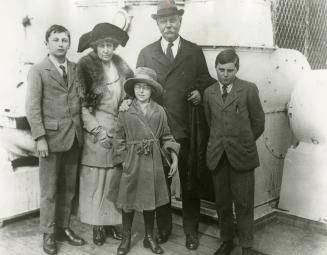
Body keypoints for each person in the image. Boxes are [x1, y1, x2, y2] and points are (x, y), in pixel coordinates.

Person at [120, 0, 215, 249]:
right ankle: (162, 229)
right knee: (157, 181)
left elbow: (207, 81)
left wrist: (199, 92)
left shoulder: (193, 51)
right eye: (164, 21)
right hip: (155, 130)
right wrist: (125, 104)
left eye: (173, 20)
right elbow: (136, 86)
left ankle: (191, 231)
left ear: (180, 21)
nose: (169, 24)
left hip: (184, 129)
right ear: (158, 24)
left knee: (189, 181)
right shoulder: (147, 52)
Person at [25, 24, 85, 255]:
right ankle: (49, 233)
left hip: (74, 138)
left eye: (65, 40)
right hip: (49, 140)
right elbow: (32, 107)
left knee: (69, 189)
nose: (61, 44)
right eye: (56, 40)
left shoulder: (76, 68)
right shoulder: (38, 70)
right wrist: (40, 137)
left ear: (69, 44)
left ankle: (64, 227)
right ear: (47, 43)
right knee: (49, 190)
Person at [76, 23, 133, 246]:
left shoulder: (120, 66)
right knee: (95, 181)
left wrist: (127, 103)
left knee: (113, 180)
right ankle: (97, 226)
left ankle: (110, 223)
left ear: (115, 46)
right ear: (95, 46)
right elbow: (82, 106)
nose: (106, 50)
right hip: (96, 130)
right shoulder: (85, 66)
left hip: (117, 129)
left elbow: (127, 95)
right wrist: (98, 131)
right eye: (102, 45)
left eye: (110, 45)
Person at [203, 49, 265, 255]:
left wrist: (242, 142)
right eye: (221, 69)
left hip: (242, 156)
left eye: (230, 70)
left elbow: (258, 123)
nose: (225, 74)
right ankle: (226, 240)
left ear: (237, 69)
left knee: (244, 203)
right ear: (216, 69)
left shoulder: (248, 89)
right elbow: (209, 122)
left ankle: (247, 247)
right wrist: (223, 142)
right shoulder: (209, 92)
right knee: (222, 203)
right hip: (218, 156)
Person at [113, 67, 180, 255]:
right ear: (133, 89)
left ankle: (149, 236)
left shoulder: (159, 111)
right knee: (128, 200)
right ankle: (126, 237)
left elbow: (166, 136)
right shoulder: (125, 110)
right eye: (138, 87)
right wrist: (125, 160)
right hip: (132, 161)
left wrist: (174, 157)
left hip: (153, 162)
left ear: (152, 90)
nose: (141, 91)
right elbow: (118, 138)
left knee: (151, 201)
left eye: (146, 87)